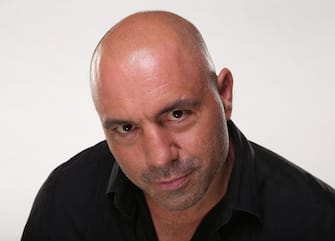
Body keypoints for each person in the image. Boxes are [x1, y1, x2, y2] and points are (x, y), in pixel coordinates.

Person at [21, 11, 335, 241]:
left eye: (177, 115)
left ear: (224, 95)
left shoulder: (317, 221)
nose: (159, 157)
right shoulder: (66, 200)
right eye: (126, 129)